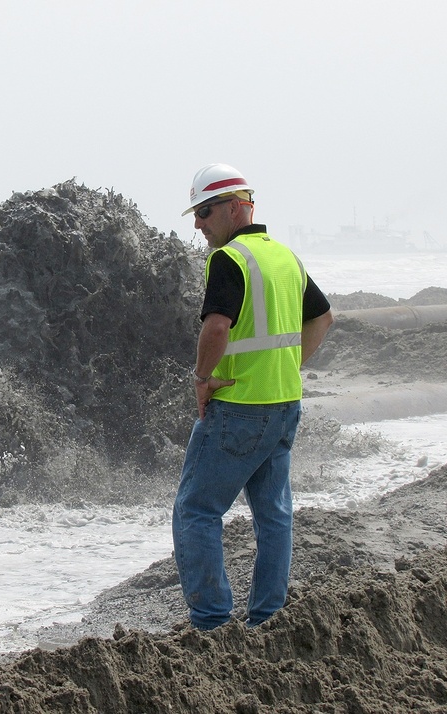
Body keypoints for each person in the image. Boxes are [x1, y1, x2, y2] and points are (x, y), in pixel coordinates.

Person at [171, 163, 334, 630]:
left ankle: (211, 621)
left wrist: (202, 378)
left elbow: (217, 325)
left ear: (237, 208)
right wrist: (288, 365)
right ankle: (267, 618)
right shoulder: (286, 258)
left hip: (238, 408)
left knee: (196, 510)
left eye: (204, 211)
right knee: (274, 515)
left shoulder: (230, 259)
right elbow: (322, 319)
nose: (198, 223)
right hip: (284, 405)